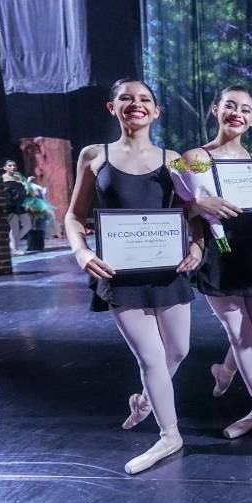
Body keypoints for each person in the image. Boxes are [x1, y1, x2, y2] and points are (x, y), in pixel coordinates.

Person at [64, 78, 201, 474]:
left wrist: (198, 247)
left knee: (178, 351)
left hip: (168, 270)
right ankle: (169, 436)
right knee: (152, 358)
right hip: (120, 275)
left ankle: (144, 400)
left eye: (144, 99)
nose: (135, 104)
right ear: (113, 108)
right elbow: (73, 216)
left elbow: (194, 209)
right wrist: (81, 251)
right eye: (126, 98)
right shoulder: (94, 155)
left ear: (156, 111)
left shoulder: (174, 158)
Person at [183, 85, 252, 438]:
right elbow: (176, 202)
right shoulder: (194, 156)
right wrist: (197, 206)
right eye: (230, 106)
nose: (237, 113)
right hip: (218, 248)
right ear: (215, 110)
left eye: (245, 109)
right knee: (239, 332)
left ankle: (225, 371)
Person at [2, 160, 32, 255]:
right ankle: (15, 249)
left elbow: (24, 190)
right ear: (4, 168)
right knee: (14, 227)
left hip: (20, 203)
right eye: (10, 165)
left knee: (28, 225)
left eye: (14, 165)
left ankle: (13, 243)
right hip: (10, 204)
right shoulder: (2, 178)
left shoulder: (18, 178)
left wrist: (27, 182)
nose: (13, 167)